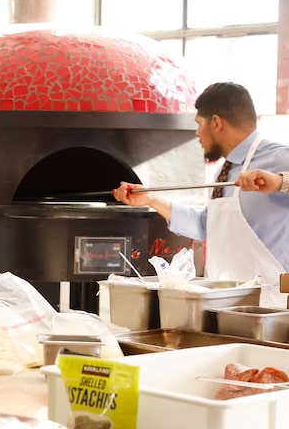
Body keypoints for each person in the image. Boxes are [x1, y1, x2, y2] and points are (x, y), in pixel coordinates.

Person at [112, 82, 289, 307]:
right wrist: (151, 200)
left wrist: (280, 181)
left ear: (216, 122)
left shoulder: (277, 158)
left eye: (198, 124)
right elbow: (208, 226)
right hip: (225, 306)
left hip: (272, 310)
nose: (196, 133)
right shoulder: (223, 171)